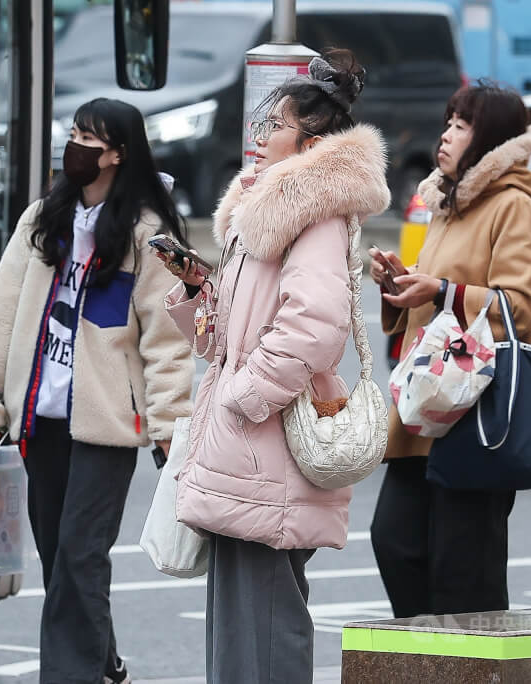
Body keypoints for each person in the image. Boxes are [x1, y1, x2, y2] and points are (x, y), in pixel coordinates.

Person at [160, 50, 390, 684]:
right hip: (250, 448)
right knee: (244, 623)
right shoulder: (269, 210)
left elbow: (316, 325)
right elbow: (234, 335)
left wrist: (245, 395)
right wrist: (195, 290)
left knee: (261, 628)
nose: (259, 139)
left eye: (274, 126)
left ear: (311, 141)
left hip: (266, 445)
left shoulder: (310, 211)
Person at [0, 98, 194, 684]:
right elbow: (1, 316)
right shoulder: (42, 219)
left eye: (88, 138)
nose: (75, 147)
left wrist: (170, 430)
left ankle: (74, 676)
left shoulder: (148, 235)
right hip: (40, 419)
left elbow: (167, 344)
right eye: (72, 134)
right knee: (59, 560)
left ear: (118, 153)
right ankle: (105, 664)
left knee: (81, 555)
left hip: (106, 424)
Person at [368, 81, 531, 618]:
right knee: (396, 543)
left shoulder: (515, 207)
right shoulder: (447, 204)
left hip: (478, 410)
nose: (447, 134)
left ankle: (469, 668)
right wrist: (401, 284)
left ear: (491, 139)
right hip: (429, 399)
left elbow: (520, 304)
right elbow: (439, 292)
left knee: (463, 572)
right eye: (448, 122)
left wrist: (441, 290)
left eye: (462, 125)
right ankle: (427, 662)